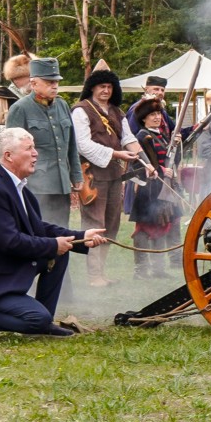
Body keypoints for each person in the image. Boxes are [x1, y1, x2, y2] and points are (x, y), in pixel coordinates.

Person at [0, 127, 108, 340]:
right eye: (29, 148)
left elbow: (38, 227)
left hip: (4, 273)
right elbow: (10, 242)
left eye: (34, 147)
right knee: (36, 318)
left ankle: (44, 321)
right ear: (8, 156)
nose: (35, 153)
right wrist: (54, 245)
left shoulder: (17, 187)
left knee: (59, 253)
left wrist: (82, 237)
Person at [72, 63, 150, 286]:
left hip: (115, 174)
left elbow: (129, 139)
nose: (106, 91)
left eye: (109, 86)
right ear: (92, 88)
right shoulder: (81, 110)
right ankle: (93, 275)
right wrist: (117, 153)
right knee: (94, 224)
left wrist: (147, 163)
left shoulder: (117, 111)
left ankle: (102, 273)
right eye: (101, 86)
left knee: (112, 225)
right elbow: (83, 145)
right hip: (92, 176)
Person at [5, 56, 83, 227]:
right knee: (38, 235)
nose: (54, 85)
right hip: (35, 186)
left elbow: (71, 145)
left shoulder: (62, 105)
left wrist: (76, 174)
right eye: (49, 82)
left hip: (61, 183)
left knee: (63, 233)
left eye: (56, 81)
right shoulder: (20, 109)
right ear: (33, 84)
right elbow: (10, 152)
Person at [127, 96, 178, 278]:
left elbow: (171, 160)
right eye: (152, 114)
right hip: (148, 190)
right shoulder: (141, 137)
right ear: (143, 118)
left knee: (161, 226)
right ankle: (140, 270)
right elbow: (137, 164)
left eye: (158, 114)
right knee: (143, 229)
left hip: (162, 188)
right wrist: (161, 169)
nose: (157, 117)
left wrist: (176, 147)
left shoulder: (162, 136)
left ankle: (158, 269)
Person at [0, 53, 33, 167]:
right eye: (29, 76)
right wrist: (19, 130)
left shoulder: (38, 100)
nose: (32, 80)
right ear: (16, 78)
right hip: (3, 161)